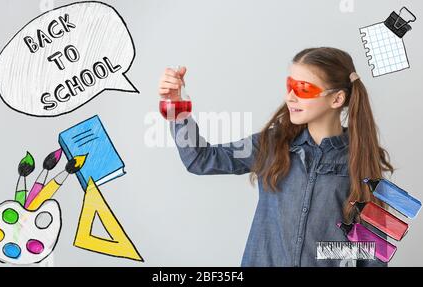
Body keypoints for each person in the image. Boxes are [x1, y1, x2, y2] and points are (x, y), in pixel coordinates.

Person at [158, 47, 393, 267]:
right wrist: (176, 107)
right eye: (289, 85)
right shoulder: (270, 145)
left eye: (302, 88)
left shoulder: (362, 163)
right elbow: (200, 160)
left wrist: (328, 252)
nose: (290, 97)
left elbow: (373, 254)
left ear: (337, 99)